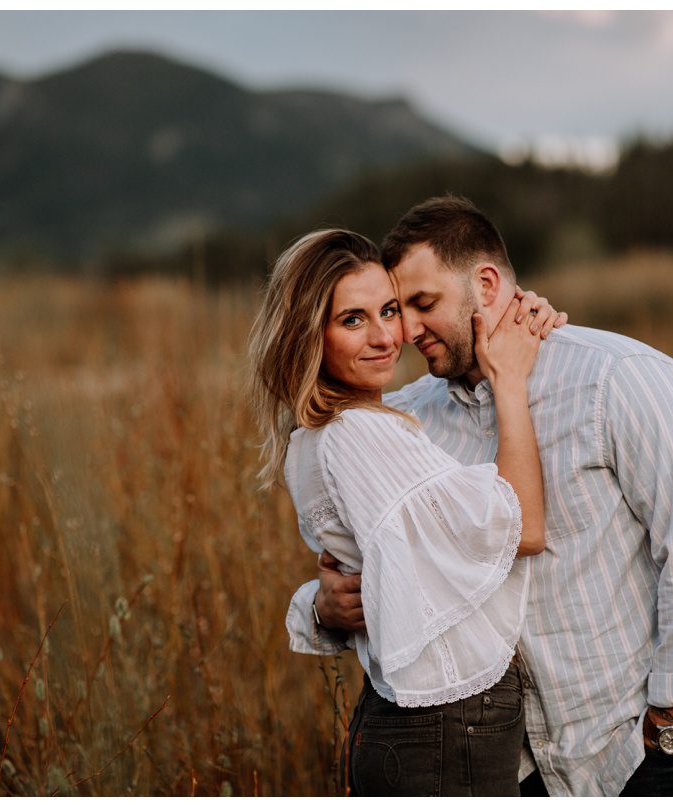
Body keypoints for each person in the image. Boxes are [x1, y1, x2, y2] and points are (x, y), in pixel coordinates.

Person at [301, 196, 673, 796]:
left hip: (638, 753)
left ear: (486, 285)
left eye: (421, 304)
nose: (404, 331)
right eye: (396, 309)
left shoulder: (622, 378)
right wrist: (323, 607)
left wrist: (671, 720)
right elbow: (378, 572)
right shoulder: (406, 422)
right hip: (508, 768)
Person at [247, 228, 568, 796]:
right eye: (352, 320)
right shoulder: (359, 433)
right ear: (307, 336)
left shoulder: (328, 431)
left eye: (390, 310)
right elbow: (524, 527)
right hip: (443, 726)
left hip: (429, 726)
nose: (385, 337)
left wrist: (512, 311)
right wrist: (510, 382)